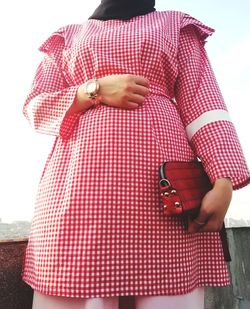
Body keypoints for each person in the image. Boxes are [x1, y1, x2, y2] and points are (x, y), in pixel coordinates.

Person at [22, 0, 250, 308]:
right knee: (72, 288)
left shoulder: (175, 25)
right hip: (78, 191)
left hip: (165, 191)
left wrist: (224, 180)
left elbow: (203, 101)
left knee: (170, 292)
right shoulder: (67, 37)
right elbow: (35, 106)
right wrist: (95, 88)